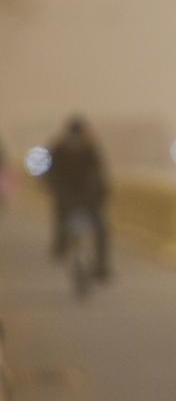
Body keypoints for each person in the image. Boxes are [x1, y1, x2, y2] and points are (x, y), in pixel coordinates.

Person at [45, 116, 110, 279]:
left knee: (61, 219)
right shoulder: (89, 147)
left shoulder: (60, 147)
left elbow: (50, 174)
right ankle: (101, 266)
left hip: (72, 196)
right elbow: (100, 175)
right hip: (85, 197)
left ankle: (60, 246)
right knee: (101, 229)